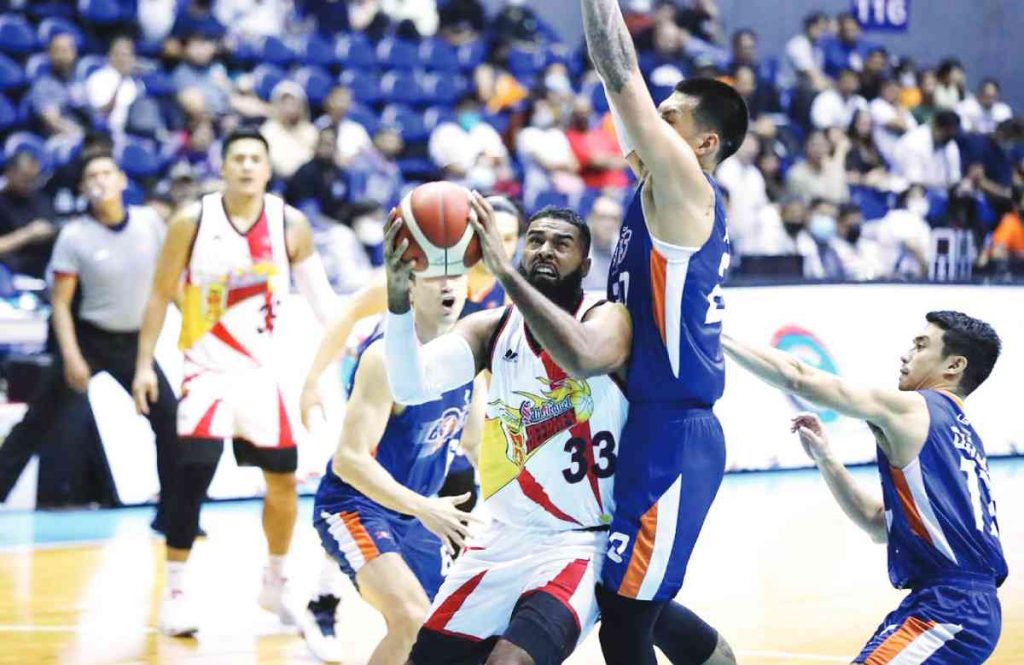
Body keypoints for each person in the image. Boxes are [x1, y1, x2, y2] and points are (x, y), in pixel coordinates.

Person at [385, 200, 629, 664]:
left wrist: (503, 273)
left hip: (578, 543)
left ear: (586, 263)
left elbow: (581, 356)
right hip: (499, 539)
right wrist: (398, 301)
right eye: (535, 240)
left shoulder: (609, 318)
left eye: (562, 244)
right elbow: (408, 384)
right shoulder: (492, 329)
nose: (544, 251)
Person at [580, 0, 749, 662]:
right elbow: (612, 81)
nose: (651, 123)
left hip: (675, 432)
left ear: (703, 144)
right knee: (625, 598)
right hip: (645, 419)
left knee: (622, 620)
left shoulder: (685, 183)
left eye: (669, 116)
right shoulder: (659, 185)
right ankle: (717, 659)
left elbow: (617, 67)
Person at [131, 128, 340, 636]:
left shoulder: (290, 224)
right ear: (222, 167)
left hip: (263, 376)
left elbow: (325, 302)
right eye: (238, 158)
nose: (247, 166)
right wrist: (142, 365)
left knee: (284, 482)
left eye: (256, 159)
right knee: (191, 479)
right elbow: (159, 295)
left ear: (268, 169)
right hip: (206, 373)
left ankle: (274, 584)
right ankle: (176, 593)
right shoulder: (191, 221)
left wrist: (356, 343)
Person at [723, 310, 1007, 663]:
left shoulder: (916, 408)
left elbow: (798, 377)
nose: (906, 354)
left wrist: (715, 333)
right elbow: (877, 523)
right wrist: (828, 461)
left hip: (951, 608)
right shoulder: (963, 434)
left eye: (921, 346)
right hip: (953, 605)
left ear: (953, 366)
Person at [306, 268, 483, 664]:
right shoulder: (385, 357)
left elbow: (479, 447)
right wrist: (424, 507)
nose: (448, 284)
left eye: (455, 275)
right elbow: (349, 460)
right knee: (411, 619)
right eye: (436, 276)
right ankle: (320, 607)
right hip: (354, 506)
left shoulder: (470, 356)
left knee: (455, 632)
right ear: (409, 288)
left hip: (417, 512)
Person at [0, 151, 176, 512]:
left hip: (134, 343)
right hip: (88, 338)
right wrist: (73, 358)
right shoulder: (75, 236)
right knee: (37, 422)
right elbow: (61, 305)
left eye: (106, 173)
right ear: (82, 188)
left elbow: (168, 283)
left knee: (169, 419)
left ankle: (174, 515)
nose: (100, 181)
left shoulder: (149, 223)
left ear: (122, 180)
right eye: (91, 176)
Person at [0, 151, 57, 279]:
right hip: (8, 271)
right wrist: (28, 234)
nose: (30, 183)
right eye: (25, 178)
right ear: (9, 173)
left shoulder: (41, 199)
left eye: (34, 178)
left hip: (43, 267)